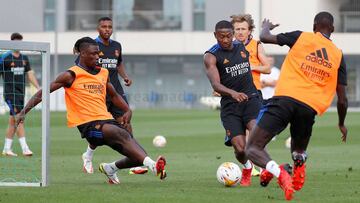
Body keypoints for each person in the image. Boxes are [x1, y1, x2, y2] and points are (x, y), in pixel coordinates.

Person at [16, 37, 166, 184]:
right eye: (93, 53)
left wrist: (128, 110)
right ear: (82, 54)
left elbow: (114, 96)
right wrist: (24, 111)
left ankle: (110, 168)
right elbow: (43, 93)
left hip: (107, 121)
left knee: (137, 155)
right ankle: (153, 166)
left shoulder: (103, 73)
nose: (97, 56)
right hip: (88, 126)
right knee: (121, 134)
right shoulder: (71, 75)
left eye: (98, 53)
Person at [245, 12, 348, 200]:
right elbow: (342, 98)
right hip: (309, 108)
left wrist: (266, 27)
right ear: (332, 29)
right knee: (298, 151)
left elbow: (265, 38)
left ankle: (281, 174)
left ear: (314, 26)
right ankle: (295, 168)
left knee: (252, 147)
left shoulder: (302, 37)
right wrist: (341, 123)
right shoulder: (338, 55)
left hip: (284, 100)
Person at [203, 20, 262, 186]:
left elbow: (252, 37)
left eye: (229, 36)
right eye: (221, 36)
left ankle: (268, 170)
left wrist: (265, 30)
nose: (226, 40)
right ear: (215, 35)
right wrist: (233, 93)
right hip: (230, 105)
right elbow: (215, 85)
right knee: (240, 149)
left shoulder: (242, 46)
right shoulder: (211, 56)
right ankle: (247, 167)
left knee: (256, 133)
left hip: (251, 99)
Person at [79, 17, 133, 174]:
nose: (107, 29)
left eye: (110, 26)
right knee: (99, 129)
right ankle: (88, 156)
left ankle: (133, 159)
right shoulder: (91, 46)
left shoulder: (117, 46)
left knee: (126, 121)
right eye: (104, 26)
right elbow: (81, 66)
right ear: (98, 28)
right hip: (98, 93)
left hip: (115, 91)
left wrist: (125, 76)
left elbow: (118, 63)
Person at [0, 33, 40, 157]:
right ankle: (25, 148)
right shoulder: (4, 57)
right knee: (19, 118)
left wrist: (38, 88)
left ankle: (7, 148)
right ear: (11, 43)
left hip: (21, 93)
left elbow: (30, 74)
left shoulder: (24, 58)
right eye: (16, 42)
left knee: (13, 121)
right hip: (10, 94)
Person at [230, 14, 271, 97]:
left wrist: (251, 67)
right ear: (233, 31)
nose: (240, 32)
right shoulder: (228, 47)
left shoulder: (257, 45)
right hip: (234, 92)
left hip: (253, 91)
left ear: (249, 31)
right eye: (237, 29)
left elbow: (268, 69)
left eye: (243, 29)